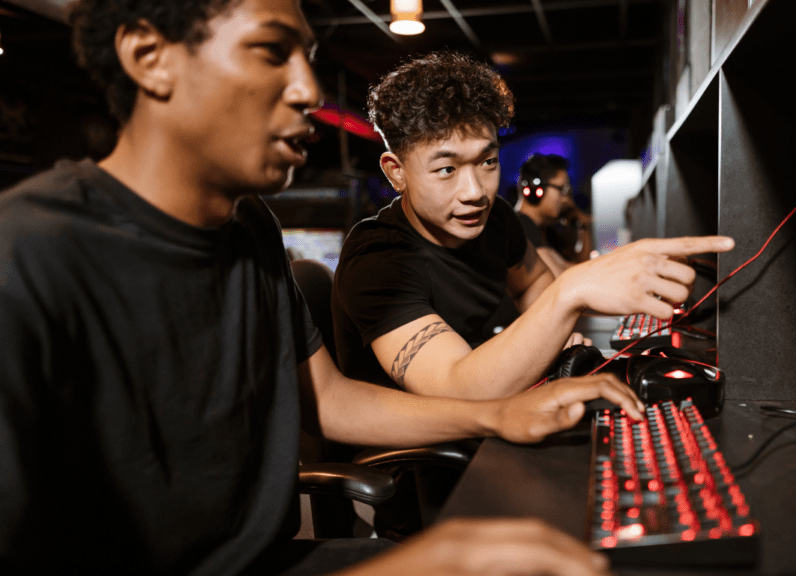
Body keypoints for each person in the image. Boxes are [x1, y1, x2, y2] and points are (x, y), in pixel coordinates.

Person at [0, 1, 649, 575]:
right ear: (150, 57)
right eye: (269, 50)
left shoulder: (248, 222)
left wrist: (498, 413)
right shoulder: (28, 255)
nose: (309, 88)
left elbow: (328, 401)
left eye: (306, 58)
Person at [331, 52, 734, 401]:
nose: (475, 192)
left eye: (487, 162)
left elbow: (533, 284)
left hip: (489, 417)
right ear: (396, 172)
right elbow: (456, 387)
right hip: (418, 458)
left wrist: (552, 331)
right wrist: (569, 294)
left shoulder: (496, 220)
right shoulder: (377, 260)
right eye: (447, 169)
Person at [514, 153, 592, 277]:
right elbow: (561, 277)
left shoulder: (545, 231)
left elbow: (577, 264)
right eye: (561, 189)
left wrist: (582, 225)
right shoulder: (521, 226)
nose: (565, 198)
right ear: (536, 188)